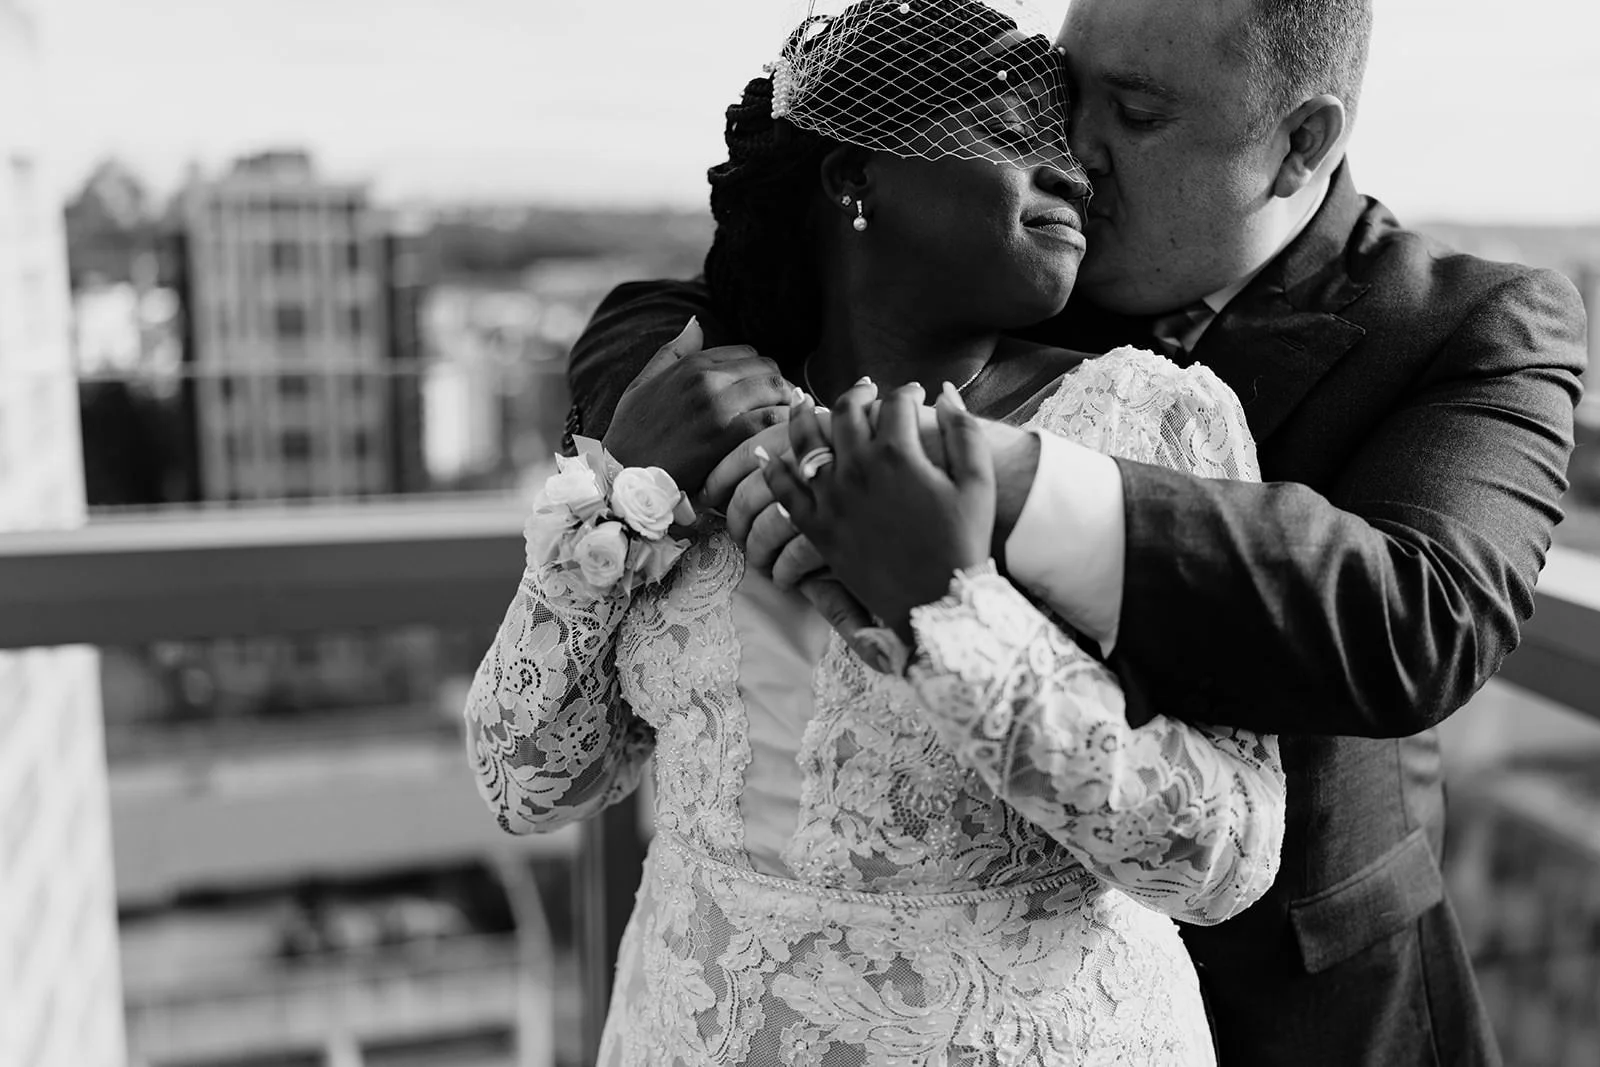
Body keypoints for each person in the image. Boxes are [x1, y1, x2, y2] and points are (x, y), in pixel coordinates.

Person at [564, 0, 1589, 1064]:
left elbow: (1417, 615)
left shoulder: (1470, 323)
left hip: (1312, 1000)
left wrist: (985, 472)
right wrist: (675, 419)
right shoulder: (1007, 251)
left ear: (1300, 143)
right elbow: (670, 307)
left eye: (1135, 114)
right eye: (1070, 99)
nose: (1077, 155)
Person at [467, 1, 1287, 1063]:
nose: (1075, 175)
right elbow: (523, 783)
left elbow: (1225, 858)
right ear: (857, 174)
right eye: (1015, 135)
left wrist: (946, 608)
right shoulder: (692, 413)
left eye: (1073, 149)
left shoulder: (1145, 424)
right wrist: (623, 484)